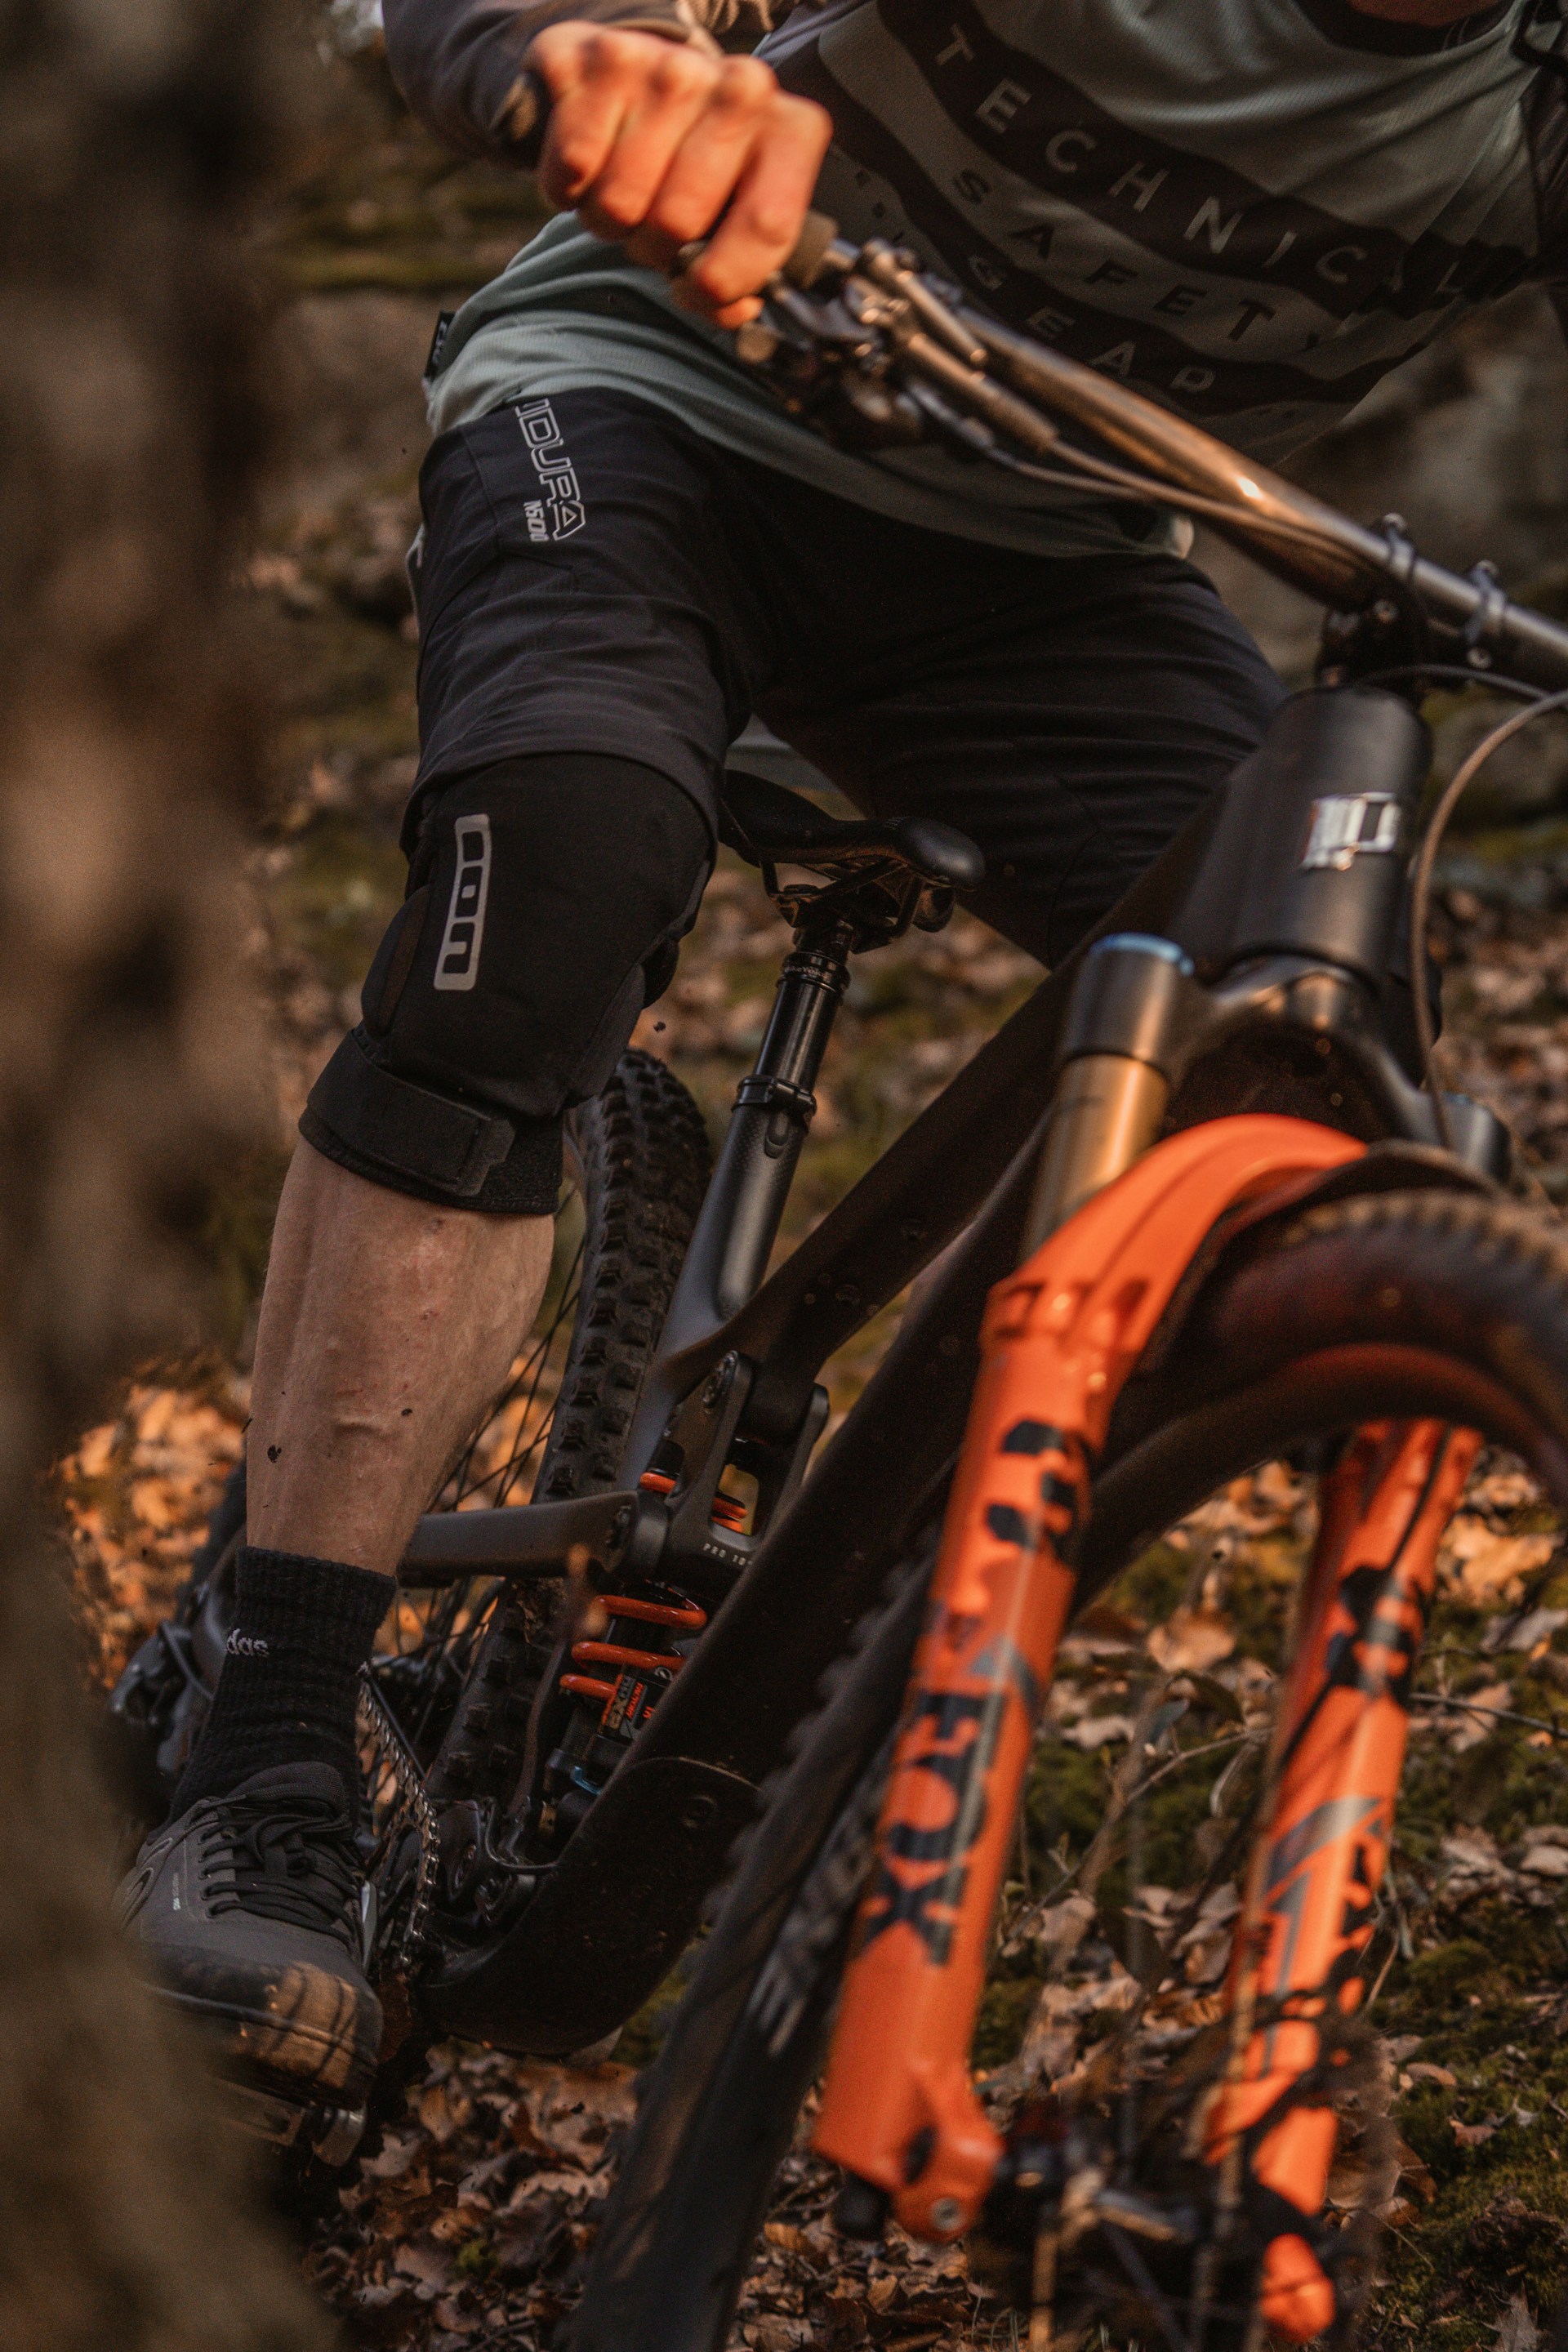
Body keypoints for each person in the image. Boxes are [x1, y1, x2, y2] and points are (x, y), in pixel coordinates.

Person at [118, 0, 1568, 2115]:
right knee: (557, 882)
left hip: (1046, 571)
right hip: (650, 404)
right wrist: (583, 49)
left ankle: (858, 1601)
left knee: (1311, 1051)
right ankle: (263, 1751)